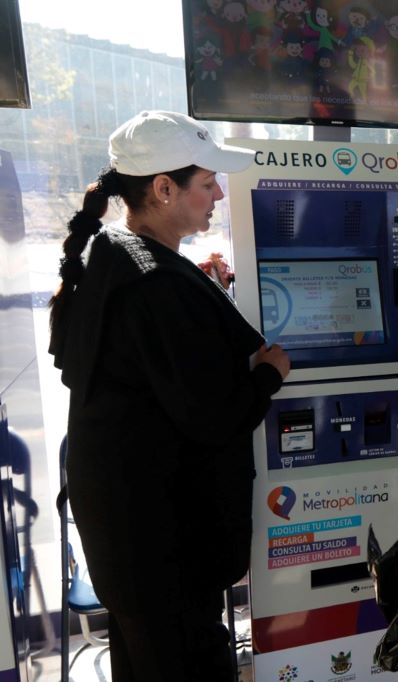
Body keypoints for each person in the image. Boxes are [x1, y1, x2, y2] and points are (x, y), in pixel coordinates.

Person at [47, 110, 291, 681]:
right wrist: (268, 374)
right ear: (163, 189)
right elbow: (214, 414)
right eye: (207, 184)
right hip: (163, 546)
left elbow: (147, 362)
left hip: (128, 535)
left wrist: (201, 290)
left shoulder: (116, 253)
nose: (217, 197)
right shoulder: (155, 285)